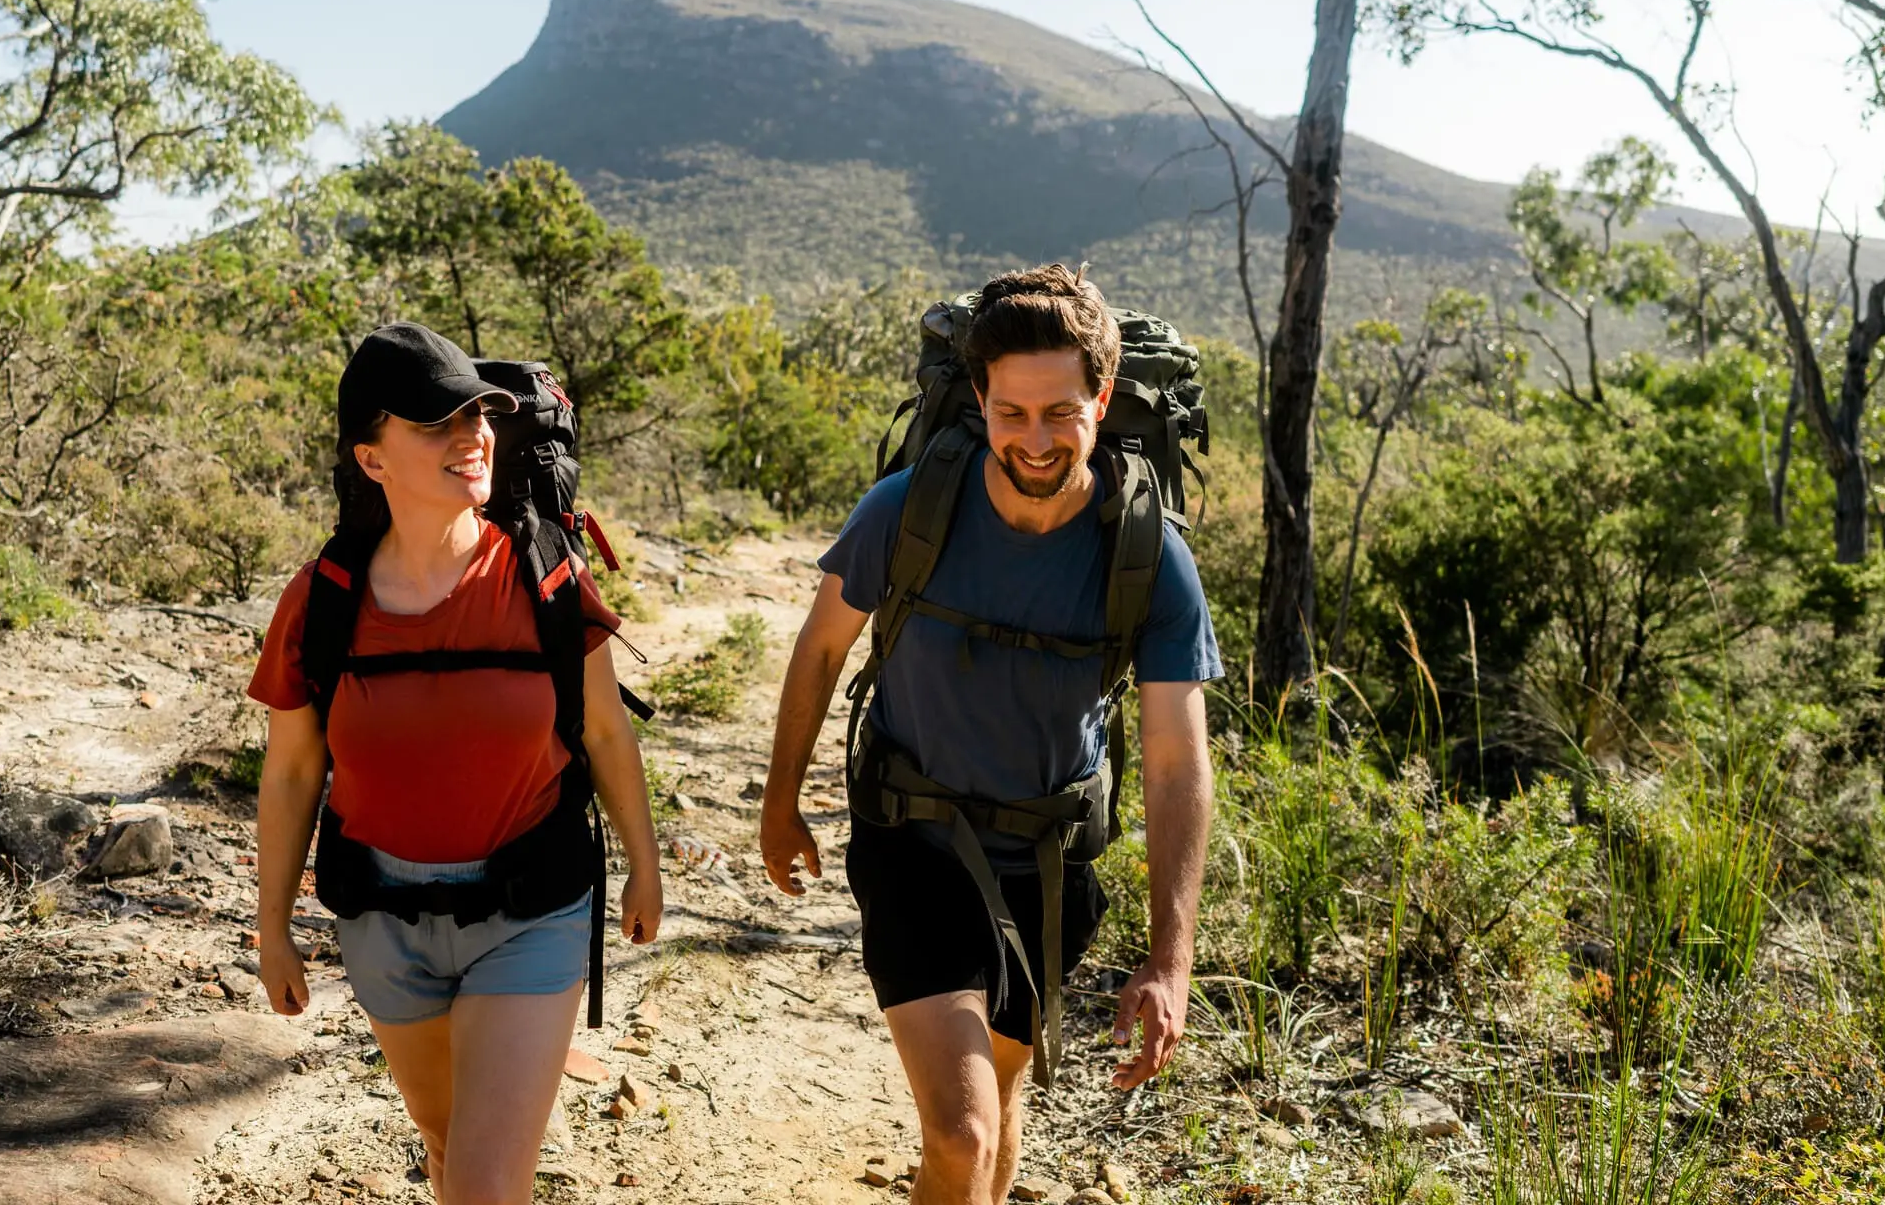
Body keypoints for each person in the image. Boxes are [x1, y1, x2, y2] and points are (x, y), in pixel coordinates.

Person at [760, 265, 1218, 1205]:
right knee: (963, 1135)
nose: (1037, 440)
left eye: (1061, 412)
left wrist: (1171, 960)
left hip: (1053, 869)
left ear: (1104, 391)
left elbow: (1177, 763)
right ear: (980, 398)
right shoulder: (905, 512)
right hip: (913, 843)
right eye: (1012, 414)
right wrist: (779, 804)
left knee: (1002, 1101)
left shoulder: (1148, 555)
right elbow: (817, 656)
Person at [247, 322, 664, 1205]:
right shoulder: (323, 599)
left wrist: (643, 868)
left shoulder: (546, 577)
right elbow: (290, 776)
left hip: (532, 911)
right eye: (437, 422)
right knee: (445, 1146)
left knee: (481, 1181)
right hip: (383, 923)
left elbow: (603, 731)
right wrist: (273, 927)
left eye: (478, 415)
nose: (471, 435)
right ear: (371, 458)